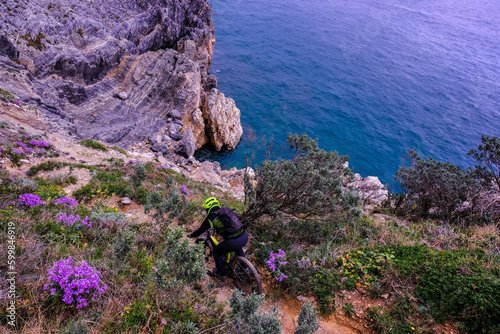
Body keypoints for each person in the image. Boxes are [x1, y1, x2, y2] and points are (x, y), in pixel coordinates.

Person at [190, 197, 248, 282]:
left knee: (216, 252)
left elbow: (201, 230)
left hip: (233, 241)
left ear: (208, 208)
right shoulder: (227, 210)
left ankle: (222, 274)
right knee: (237, 247)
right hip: (244, 236)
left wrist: (191, 235)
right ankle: (245, 268)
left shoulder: (212, 217)